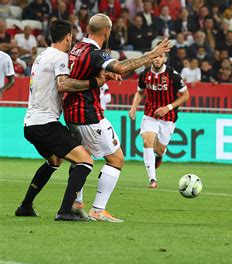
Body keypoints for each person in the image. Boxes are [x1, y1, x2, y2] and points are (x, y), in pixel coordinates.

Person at [63, 13, 171, 222]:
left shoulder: (76, 48)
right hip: (88, 114)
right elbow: (121, 66)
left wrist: (104, 75)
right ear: (107, 32)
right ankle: (98, 210)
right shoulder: (95, 52)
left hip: (71, 113)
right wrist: (151, 55)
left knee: (80, 159)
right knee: (116, 159)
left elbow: (81, 73)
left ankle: (76, 204)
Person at [15, 19, 107, 221]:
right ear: (68, 36)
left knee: (54, 161)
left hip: (30, 124)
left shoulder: (42, 55)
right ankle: (66, 210)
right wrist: (94, 82)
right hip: (46, 124)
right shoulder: (60, 57)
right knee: (85, 160)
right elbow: (63, 85)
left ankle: (25, 205)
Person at [128, 51, 189, 188]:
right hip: (150, 114)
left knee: (160, 150)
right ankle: (152, 179)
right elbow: (140, 92)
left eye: (160, 57)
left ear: (164, 59)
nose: (157, 59)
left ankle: (160, 156)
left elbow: (185, 95)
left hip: (168, 116)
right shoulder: (144, 74)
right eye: (155, 56)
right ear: (151, 58)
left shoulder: (173, 75)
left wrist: (167, 108)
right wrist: (133, 108)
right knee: (147, 140)